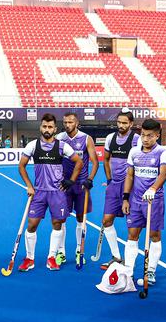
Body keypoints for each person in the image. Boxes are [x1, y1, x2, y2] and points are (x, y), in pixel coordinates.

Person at [16, 114, 84, 271]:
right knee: (32, 224)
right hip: (39, 192)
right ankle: (29, 258)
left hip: (57, 192)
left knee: (57, 224)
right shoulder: (33, 145)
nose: (47, 129)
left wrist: (71, 181)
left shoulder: (62, 146)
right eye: (44, 126)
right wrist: (29, 185)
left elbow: (79, 162)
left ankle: (52, 257)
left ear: (55, 129)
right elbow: (21, 166)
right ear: (41, 127)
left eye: (50, 127)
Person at [121, 118, 166, 286]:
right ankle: (128, 270)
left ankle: (150, 271)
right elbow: (129, 175)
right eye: (143, 135)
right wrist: (126, 198)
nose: (145, 139)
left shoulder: (163, 152)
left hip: (154, 201)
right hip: (135, 201)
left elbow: (163, 174)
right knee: (132, 235)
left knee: (154, 235)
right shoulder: (134, 152)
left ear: (157, 136)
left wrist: (153, 189)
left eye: (149, 136)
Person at [55, 112, 98, 265]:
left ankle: (79, 250)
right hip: (64, 185)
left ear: (77, 123)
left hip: (80, 185)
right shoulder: (59, 138)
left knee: (81, 219)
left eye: (71, 122)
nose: (67, 125)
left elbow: (95, 161)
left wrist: (90, 179)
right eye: (65, 122)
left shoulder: (86, 138)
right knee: (60, 219)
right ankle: (61, 252)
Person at [98, 109, 136, 269]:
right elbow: (106, 159)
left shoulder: (137, 139)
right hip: (114, 185)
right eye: (119, 122)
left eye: (124, 123)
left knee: (132, 226)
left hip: (132, 186)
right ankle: (116, 257)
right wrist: (109, 179)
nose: (121, 125)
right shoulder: (110, 138)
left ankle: (129, 262)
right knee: (107, 220)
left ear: (131, 124)